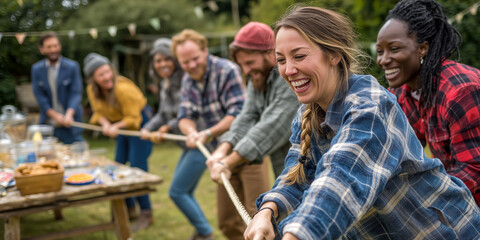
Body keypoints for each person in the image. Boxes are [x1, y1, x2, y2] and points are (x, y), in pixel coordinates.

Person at [244, 6, 480, 240]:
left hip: (448, 232)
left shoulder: (371, 105)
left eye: (299, 56)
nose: (289, 70)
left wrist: (297, 234)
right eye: (281, 60)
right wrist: (267, 210)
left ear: (334, 54)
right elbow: (296, 175)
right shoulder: (306, 114)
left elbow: (342, 179)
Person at [376, 0, 480, 206]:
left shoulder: (461, 91)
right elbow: (395, 149)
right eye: (380, 51)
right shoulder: (402, 93)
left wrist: (421, 199)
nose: (384, 60)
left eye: (394, 49)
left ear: (422, 48)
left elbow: (474, 169)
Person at [206, 22, 299, 240]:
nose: (246, 71)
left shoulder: (288, 77)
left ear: (270, 53)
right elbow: (246, 117)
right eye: (242, 65)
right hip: (286, 174)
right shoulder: (258, 78)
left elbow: (270, 127)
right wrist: (222, 150)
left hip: (305, 174)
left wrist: (227, 163)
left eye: (249, 62)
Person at [170, 29, 245, 240]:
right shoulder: (188, 80)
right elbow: (184, 116)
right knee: (227, 222)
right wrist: (191, 132)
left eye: (195, 59)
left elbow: (237, 114)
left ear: (205, 51)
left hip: (245, 147)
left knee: (256, 214)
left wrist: (208, 132)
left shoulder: (227, 70)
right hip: (217, 154)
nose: (191, 65)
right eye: (185, 62)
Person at [83, 53, 153, 232]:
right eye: (101, 75)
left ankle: (146, 212)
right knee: (118, 166)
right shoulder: (93, 90)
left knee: (137, 168)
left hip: (140, 124)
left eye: (107, 72)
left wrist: (115, 126)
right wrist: (107, 125)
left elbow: (133, 119)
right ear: (93, 79)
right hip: (119, 124)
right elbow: (98, 112)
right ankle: (128, 209)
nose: (106, 77)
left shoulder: (123, 89)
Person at [31, 31, 83, 144]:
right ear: (42, 49)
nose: (53, 50)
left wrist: (69, 114)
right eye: (49, 47)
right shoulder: (36, 69)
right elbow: (39, 96)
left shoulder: (72, 67)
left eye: (55, 46)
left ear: (59, 46)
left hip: (70, 124)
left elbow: (76, 93)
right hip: (48, 125)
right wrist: (54, 116)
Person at [140, 38, 186, 149]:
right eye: (158, 61)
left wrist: (167, 127)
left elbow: (188, 114)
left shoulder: (186, 82)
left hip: (199, 140)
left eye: (167, 59)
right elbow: (162, 114)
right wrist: (147, 128)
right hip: (185, 144)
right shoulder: (164, 84)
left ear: (175, 60)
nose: (163, 64)